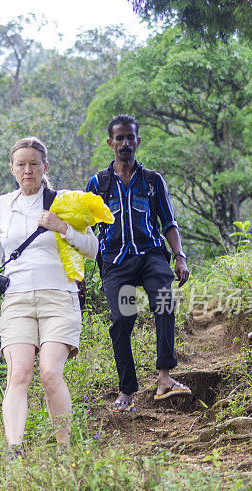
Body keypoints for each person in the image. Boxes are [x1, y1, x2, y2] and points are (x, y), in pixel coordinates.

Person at [0, 137, 98, 454]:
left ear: (45, 167)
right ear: (12, 169)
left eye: (34, 164)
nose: (28, 170)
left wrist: (63, 227)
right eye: (21, 164)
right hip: (16, 299)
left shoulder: (64, 200)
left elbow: (94, 248)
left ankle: (65, 449)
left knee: (50, 373)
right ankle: (15, 449)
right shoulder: (2, 205)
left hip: (59, 296)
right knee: (19, 373)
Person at [85, 114, 191, 412]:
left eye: (130, 138)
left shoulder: (153, 181)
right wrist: (76, 271)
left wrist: (179, 257)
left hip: (151, 257)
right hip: (116, 263)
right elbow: (85, 230)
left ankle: (165, 379)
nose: (125, 143)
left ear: (137, 141)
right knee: (123, 318)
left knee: (164, 302)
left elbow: (168, 223)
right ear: (111, 143)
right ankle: (127, 391)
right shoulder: (98, 184)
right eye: (119, 138)